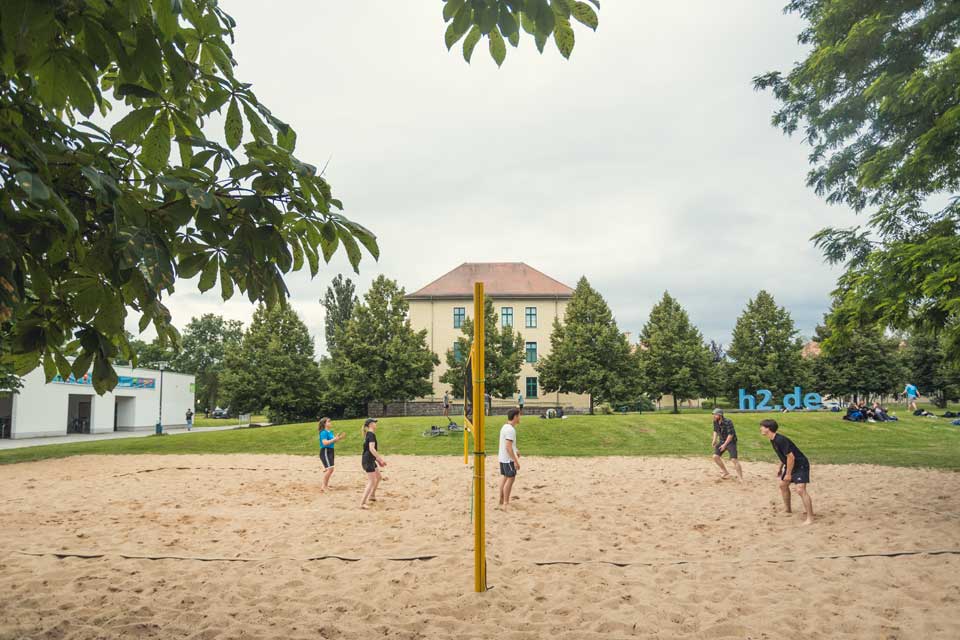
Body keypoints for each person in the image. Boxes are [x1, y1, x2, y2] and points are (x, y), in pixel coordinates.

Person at [760, 419, 813, 525]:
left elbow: (791, 457)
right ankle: (788, 510)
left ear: (768, 428)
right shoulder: (773, 439)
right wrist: (780, 468)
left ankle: (810, 518)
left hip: (800, 464)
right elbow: (783, 456)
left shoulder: (780, 440)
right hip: (791, 464)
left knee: (800, 490)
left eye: (762, 426)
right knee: (783, 485)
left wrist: (788, 474)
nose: (760, 428)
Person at [360, 418, 387, 509]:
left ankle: (372, 495)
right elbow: (371, 449)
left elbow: (370, 450)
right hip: (368, 460)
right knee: (372, 481)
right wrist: (380, 459)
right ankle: (362, 503)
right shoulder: (371, 434)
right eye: (375, 423)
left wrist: (378, 461)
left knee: (378, 477)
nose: (376, 424)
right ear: (370, 424)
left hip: (370, 459)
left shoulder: (369, 434)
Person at [498, 408, 521, 509]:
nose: (520, 418)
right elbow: (508, 446)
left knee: (505, 478)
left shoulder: (505, 426)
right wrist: (516, 461)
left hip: (503, 458)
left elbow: (509, 444)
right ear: (515, 417)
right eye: (519, 416)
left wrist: (516, 450)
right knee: (511, 479)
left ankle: (501, 499)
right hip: (508, 459)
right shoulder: (510, 430)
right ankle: (506, 502)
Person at [711, 408, 742, 481]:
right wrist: (714, 440)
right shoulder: (715, 421)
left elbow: (730, 435)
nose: (714, 416)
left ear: (720, 415)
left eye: (715, 414)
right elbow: (715, 430)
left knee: (734, 459)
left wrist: (725, 445)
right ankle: (726, 472)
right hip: (722, 441)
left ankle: (741, 478)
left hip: (731, 442)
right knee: (715, 457)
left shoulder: (728, 422)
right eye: (713, 414)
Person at [318, 417, 345, 492]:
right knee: (330, 469)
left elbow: (333, 441)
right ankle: (323, 486)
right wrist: (334, 439)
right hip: (325, 451)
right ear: (324, 424)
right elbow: (325, 443)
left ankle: (326, 486)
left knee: (330, 469)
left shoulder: (330, 432)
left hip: (330, 451)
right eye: (328, 422)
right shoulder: (323, 432)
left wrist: (339, 438)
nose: (330, 423)